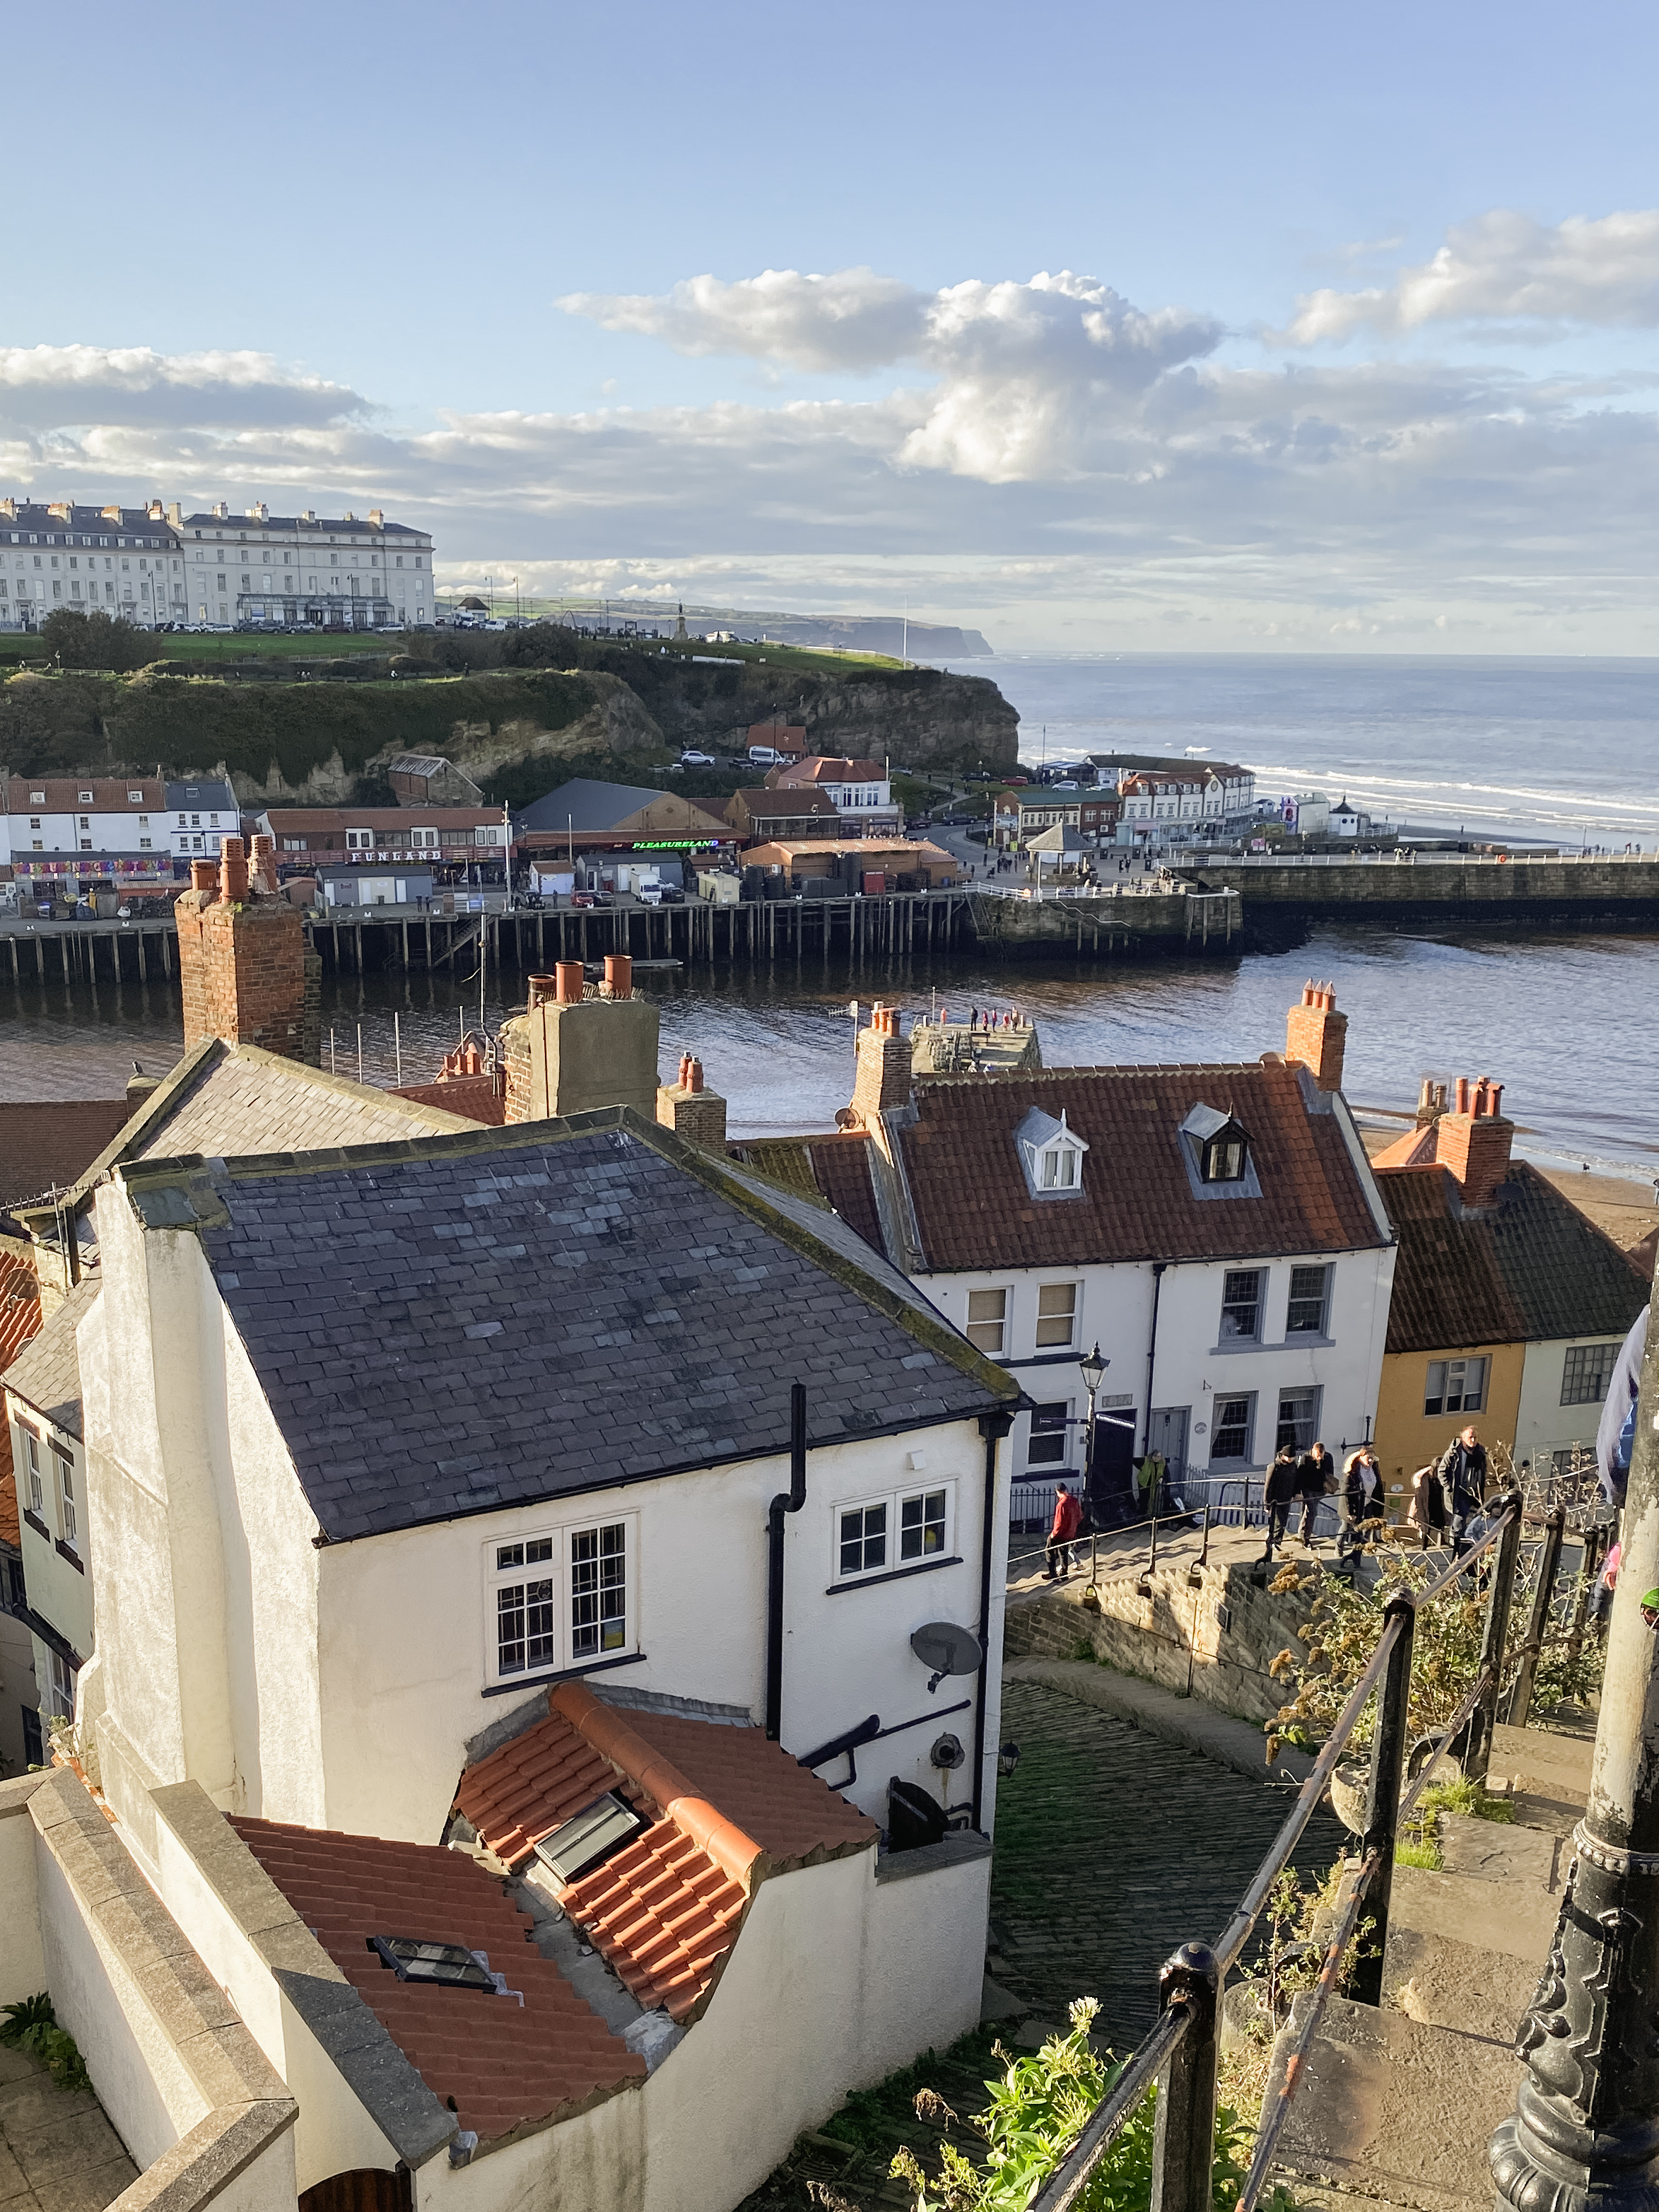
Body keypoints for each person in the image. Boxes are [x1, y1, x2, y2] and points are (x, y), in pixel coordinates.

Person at [1437, 1425, 1490, 1558]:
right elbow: (1442, 1471)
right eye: (1470, 1437)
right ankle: (1455, 1549)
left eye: (1475, 1437)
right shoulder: (1454, 1452)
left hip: (1473, 1493)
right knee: (1458, 1520)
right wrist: (1449, 1487)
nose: (1473, 1440)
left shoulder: (1480, 1452)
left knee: (1474, 1519)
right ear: (1463, 1438)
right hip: (1458, 1493)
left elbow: (1483, 1471)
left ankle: (1468, 1548)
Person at [1338, 1445, 1382, 1564]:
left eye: (1372, 1458)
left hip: (1367, 1503)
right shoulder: (1352, 1472)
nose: (1371, 1461)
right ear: (1360, 1458)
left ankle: (1358, 1551)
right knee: (1346, 1527)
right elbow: (1345, 1493)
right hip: (1354, 1504)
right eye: (1368, 1458)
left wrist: (1378, 1509)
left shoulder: (1374, 1470)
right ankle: (1339, 1548)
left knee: (1367, 1528)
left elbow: (1378, 1488)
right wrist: (1348, 1512)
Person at [1262, 1447, 1299, 1561]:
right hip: (1276, 1499)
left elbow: (1295, 1481)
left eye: (1292, 1458)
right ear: (1283, 1456)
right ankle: (1272, 1540)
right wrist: (1267, 1503)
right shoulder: (1274, 1467)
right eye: (1289, 1457)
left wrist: (1295, 1494)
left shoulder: (1293, 1466)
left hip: (1287, 1498)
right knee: (1278, 1521)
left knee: (1283, 1521)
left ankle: (1276, 1540)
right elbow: (1268, 1486)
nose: (1291, 1459)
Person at [1295, 1440, 1332, 1547]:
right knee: (1311, 1512)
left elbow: (1330, 1473)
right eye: (1317, 1455)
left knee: (1307, 1510)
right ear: (1313, 1451)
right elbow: (1300, 1474)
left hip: (1320, 1489)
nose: (1319, 1458)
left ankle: (1302, 1533)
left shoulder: (1328, 1458)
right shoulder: (1306, 1458)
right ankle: (1305, 1537)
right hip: (1308, 1489)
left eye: (1321, 1456)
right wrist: (1298, 1490)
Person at [1043, 1483, 1083, 1581]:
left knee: (1049, 1550)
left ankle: (1053, 1573)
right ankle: (1064, 1573)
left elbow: (1059, 1522)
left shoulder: (1061, 1505)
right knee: (1063, 1552)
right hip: (1071, 1533)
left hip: (1061, 1534)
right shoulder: (1074, 1501)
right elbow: (1079, 1516)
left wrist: (1054, 1534)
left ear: (1058, 1492)